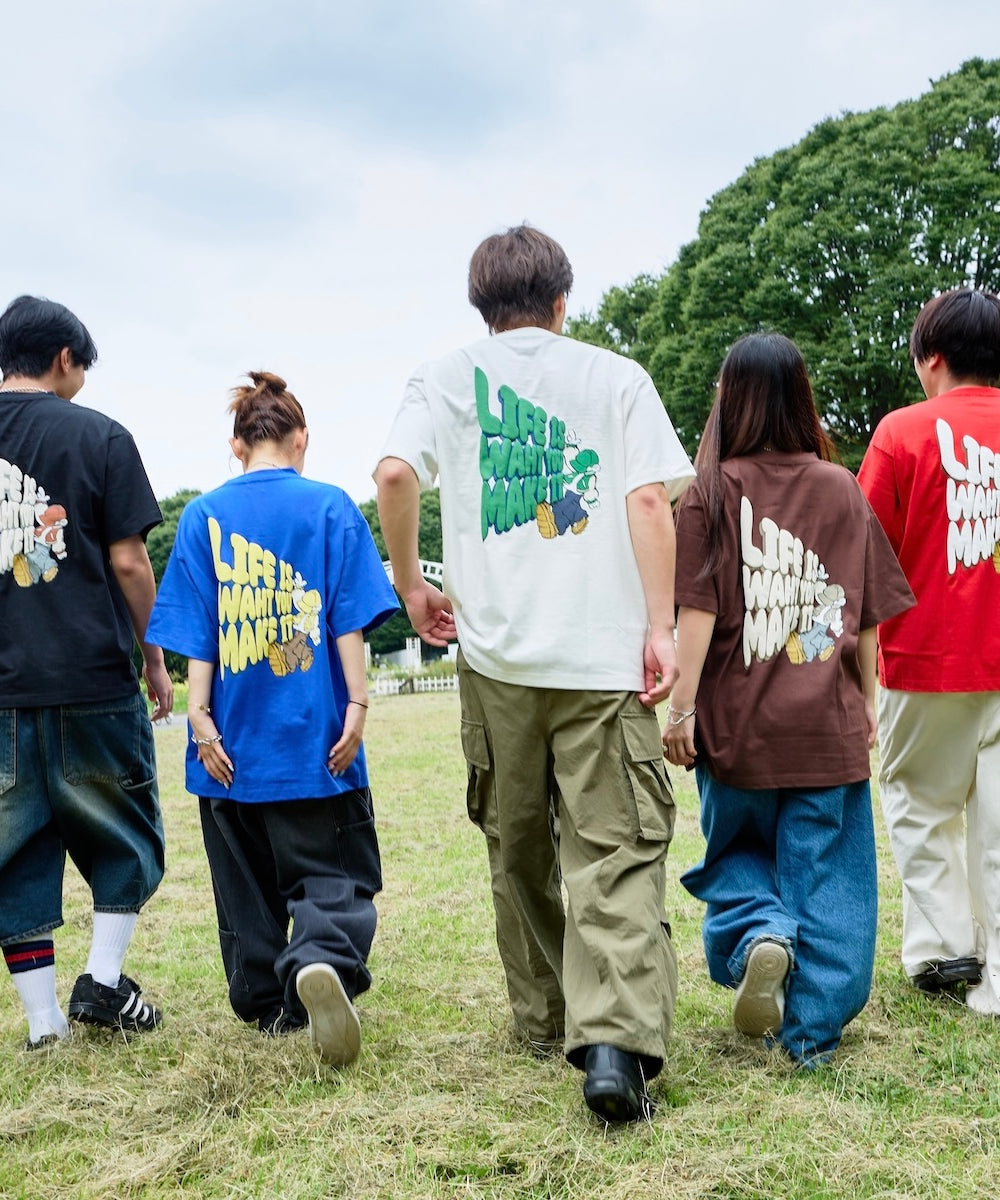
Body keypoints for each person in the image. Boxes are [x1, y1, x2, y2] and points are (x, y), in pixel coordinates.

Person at [374, 224, 695, 1122]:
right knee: (614, 847)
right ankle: (615, 1044)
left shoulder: (442, 379)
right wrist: (660, 625)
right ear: (563, 301)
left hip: (495, 657)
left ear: (482, 308)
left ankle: (546, 1011)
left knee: (518, 846)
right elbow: (645, 500)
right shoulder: (614, 377)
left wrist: (411, 584)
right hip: (600, 655)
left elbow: (396, 474)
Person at [664, 332, 914, 1066]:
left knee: (738, 851)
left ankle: (758, 937)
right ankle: (810, 1036)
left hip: (736, 727)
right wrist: (866, 702)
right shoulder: (842, 488)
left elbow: (697, 618)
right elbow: (864, 614)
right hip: (825, 724)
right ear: (802, 396)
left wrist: (680, 712)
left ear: (728, 397)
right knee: (831, 878)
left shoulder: (710, 489)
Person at [146, 372, 397, 1066]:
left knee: (245, 888)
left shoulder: (200, 517)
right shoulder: (330, 508)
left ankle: (269, 999)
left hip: (228, 745)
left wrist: (199, 718)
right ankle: (319, 958)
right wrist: (357, 706)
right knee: (333, 873)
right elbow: (346, 622)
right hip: (314, 741)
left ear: (236, 444)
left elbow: (197, 632)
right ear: (301, 438)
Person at [0, 295, 171, 1050]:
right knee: (123, 831)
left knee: (13, 850)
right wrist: (155, 655)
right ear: (65, 359)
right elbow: (130, 560)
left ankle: (43, 1023)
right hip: (94, 676)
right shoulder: (100, 435)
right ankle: (103, 981)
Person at [857, 288, 1000, 1010]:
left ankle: (948, 952)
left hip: (926, 655)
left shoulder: (902, 432)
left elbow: (860, 547)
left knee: (919, 802)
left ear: (930, 357)